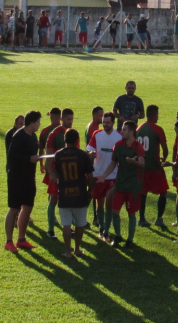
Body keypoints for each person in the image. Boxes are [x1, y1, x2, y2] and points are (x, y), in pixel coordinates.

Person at [96, 120, 144, 247]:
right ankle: (118, 236)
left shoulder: (138, 147)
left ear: (131, 131)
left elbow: (143, 164)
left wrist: (135, 163)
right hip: (120, 185)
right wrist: (104, 176)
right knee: (115, 211)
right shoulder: (118, 145)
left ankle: (130, 240)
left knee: (131, 213)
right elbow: (113, 163)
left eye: (124, 129)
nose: (122, 131)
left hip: (133, 186)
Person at [52, 128, 95, 257]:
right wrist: (91, 190)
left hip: (64, 193)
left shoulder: (58, 155)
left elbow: (55, 174)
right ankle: (77, 249)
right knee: (80, 223)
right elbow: (90, 176)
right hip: (80, 193)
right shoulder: (83, 155)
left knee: (66, 224)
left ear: (65, 140)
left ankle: (67, 251)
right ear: (77, 140)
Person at [5, 110, 42, 251]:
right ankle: (9, 241)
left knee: (27, 207)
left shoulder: (34, 137)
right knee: (14, 209)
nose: (39, 124)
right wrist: (29, 159)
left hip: (29, 178)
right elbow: (12, 157)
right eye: (38, 122)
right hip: (16, 178)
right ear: (32, 123)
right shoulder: (18, 136)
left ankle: (21, 239)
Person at [86, 111, 122, 240]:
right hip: (98, 174)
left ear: (113, 123)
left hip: (112, 175)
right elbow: (89, 148)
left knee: (109, 203)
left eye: (108, 122)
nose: (105, 124)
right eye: (104, 122)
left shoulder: (119, 136)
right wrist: (91, 153)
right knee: (99, 204)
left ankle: (106, 230)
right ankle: (101, 228)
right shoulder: (97, 134)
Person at [136, 105, 169, 228]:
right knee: (163, 192)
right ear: (155, 115)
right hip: (155, 167)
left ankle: (142, 218)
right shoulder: (157, 129)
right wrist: (163, 160)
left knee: (143, 193)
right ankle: (159, 218)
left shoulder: (138, 128)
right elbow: (165, 149)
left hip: (142, 167)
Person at [38, 108, 64, 238]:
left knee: (52, 192)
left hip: (50, 166)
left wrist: (41, 165)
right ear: (60, 117)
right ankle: (53, 218)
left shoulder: (44, 131)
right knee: (54, 194)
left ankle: (52, 217)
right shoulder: (61, 131)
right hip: (57, 167)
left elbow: (41, 150)